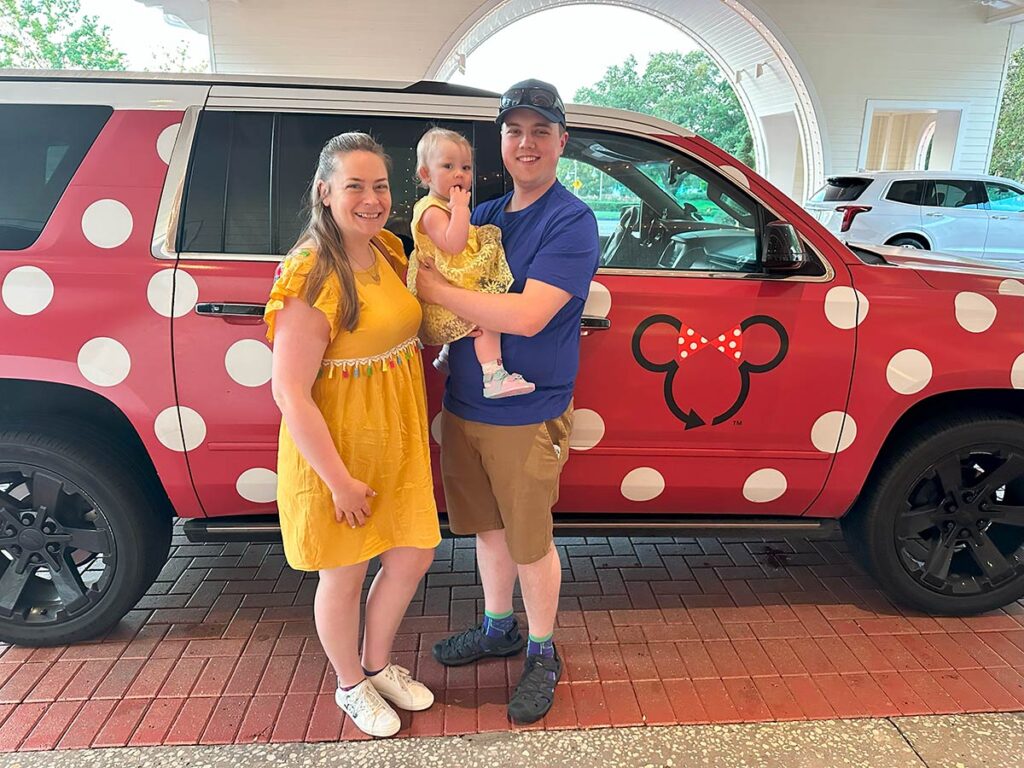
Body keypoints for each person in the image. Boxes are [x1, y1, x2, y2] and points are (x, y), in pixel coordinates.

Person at [416, 80, 600, 724]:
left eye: (540, 131)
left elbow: (525, 317)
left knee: (528, 540)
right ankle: (500, 627)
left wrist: (434, 288)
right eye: (514, 130)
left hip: (527, 412)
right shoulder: (484, 215)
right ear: (501, 141)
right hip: (465, 404)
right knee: (488, 532)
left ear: (561, 142)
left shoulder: (571, 221)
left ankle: (543, 650)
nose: (526, 143)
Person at [265, 132, 439, 738]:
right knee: (343, 572)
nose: (371, 199)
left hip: (396, 440)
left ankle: (376, 663)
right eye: (355, 186)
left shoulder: (386, 249)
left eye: (381, 185)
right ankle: (349, 684)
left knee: (413, 552)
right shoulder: (312, 272)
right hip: (339, 453)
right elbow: (289, 391)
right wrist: (338, 482)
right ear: (325, 192)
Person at [407, 127, 535, 399]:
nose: (459, 174)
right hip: (444, 289)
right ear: (426, 175)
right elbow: (453, 244)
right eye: (448, 166)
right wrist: (461, 209)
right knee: (489, 314)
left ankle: (445, 356)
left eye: (465, 167)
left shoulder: (443, 207)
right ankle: (494, 376)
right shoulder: (431, 210)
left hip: (449, 283)